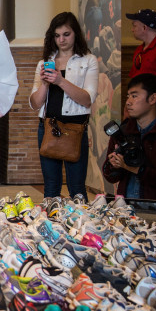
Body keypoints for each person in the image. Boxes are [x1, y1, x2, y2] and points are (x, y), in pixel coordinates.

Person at [30, 12, 99, 200]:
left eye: (66, 34)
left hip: (75, 128)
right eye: (57, 35)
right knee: (51, 187)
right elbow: (35, 104)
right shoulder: (44, 63)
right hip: (48, 127)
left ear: (75, 33)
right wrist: (45, 84)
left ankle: (81, 227)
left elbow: (87, 99)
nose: (61, 39)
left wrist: (60, 81)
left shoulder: (88, 61)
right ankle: (51, 227)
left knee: (77, 188)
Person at [102, 74, 156, 201]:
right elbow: (111, 177)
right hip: (125, 208)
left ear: (153, 98)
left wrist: (138, 169)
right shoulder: (123, 132)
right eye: (128, 96)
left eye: (134, 96)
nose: (128, 102)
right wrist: (114, 165)